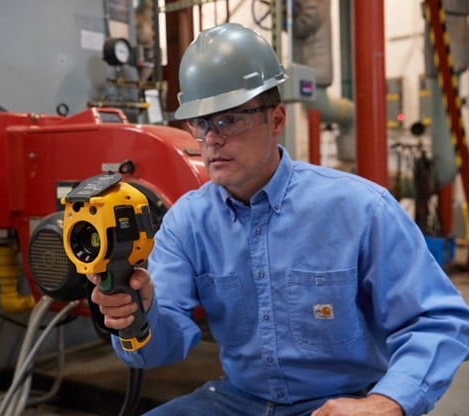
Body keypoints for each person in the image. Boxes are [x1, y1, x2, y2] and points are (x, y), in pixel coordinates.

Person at [88, 22, 469, 416]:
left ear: (276, 120)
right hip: (240, 400)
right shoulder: (188, 222)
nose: (212, 139)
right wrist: (138, 316)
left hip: (347, 400)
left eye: (230, 119)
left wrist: (386, 402)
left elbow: (437, 318)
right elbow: (163, 345)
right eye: (201, 124)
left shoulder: (361, 209)